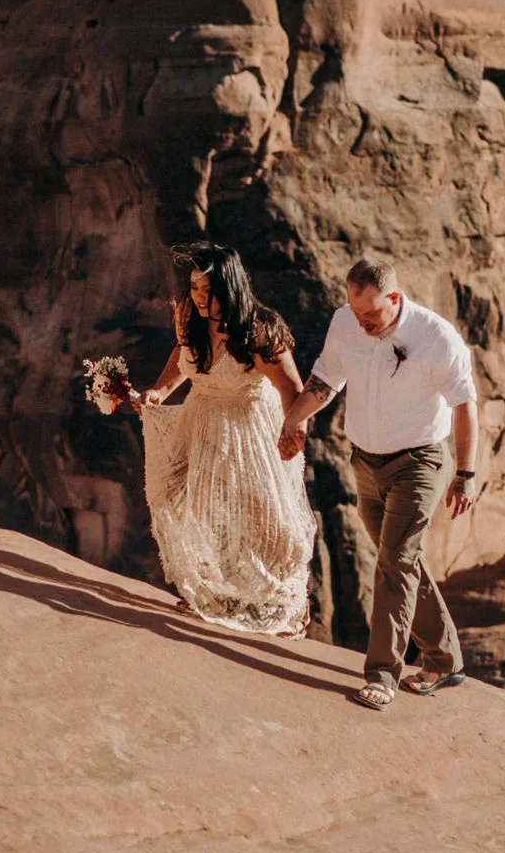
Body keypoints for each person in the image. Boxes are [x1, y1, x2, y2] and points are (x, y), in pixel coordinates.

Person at [279, 255, 480, 710]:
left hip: (419, 462)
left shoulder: (435, 336)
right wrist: (292, 422)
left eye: (371, 313)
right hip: (365, 462)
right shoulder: (346, 323)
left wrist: (466, 475)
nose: (362, 322)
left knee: (394, 563)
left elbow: (465, 405)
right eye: (355, 311)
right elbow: (325, 380)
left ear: (395, 297)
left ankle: (383, 675)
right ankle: (446, 659)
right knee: (399, 560)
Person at [127, 244, 320, 636]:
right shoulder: (188, 316)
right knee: (187, 498)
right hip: (204, 417)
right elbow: (184, 353)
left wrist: (294, 432)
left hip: (252, 425)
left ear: (229, 287)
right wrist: (160, 391)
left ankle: (289, 602)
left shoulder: (259, 330)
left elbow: (293, 389)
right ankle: (211, 591)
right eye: (194, 287)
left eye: (207, 288)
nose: (199, 296)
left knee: (269, 514)